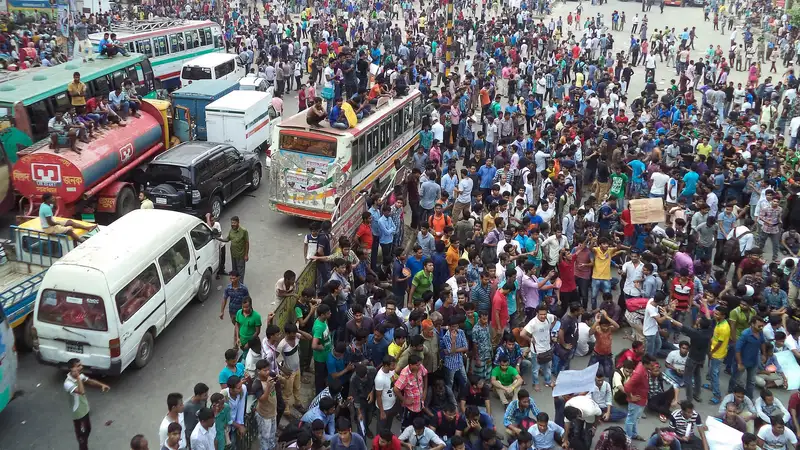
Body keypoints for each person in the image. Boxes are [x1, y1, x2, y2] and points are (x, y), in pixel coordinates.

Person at [64, 358, 110, 450]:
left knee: (87, 430)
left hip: (85, 409)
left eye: (81, 365)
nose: (81, 367)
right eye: (78, 366)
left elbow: (89, 381)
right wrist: (77, 377)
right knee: (82, 438)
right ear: (71, 369)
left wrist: (101, 385)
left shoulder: (80, 376)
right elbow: (82, 391)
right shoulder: (67, 383)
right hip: (78, 413)